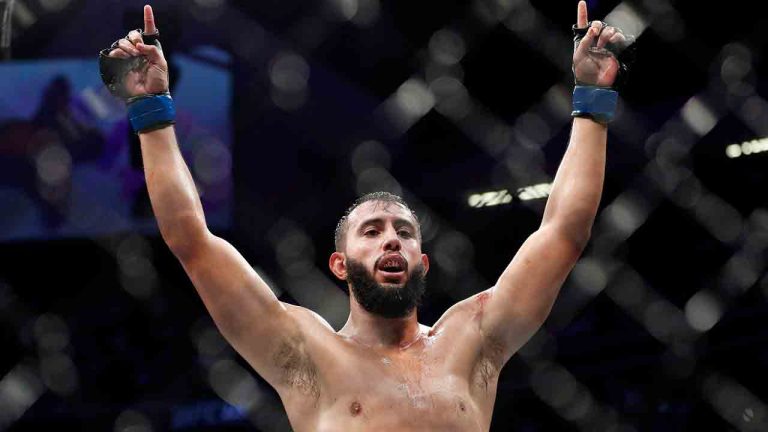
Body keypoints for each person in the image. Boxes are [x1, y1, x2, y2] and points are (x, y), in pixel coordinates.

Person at [102, 2, 632, 430]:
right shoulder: (304, 352)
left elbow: (563, 233)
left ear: (423, 261)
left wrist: (592, 99)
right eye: (372, 232)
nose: (392, 241)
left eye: (404, 232)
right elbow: (191, 241)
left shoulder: (471, 340)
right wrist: (152, 112)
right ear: (339, 264)